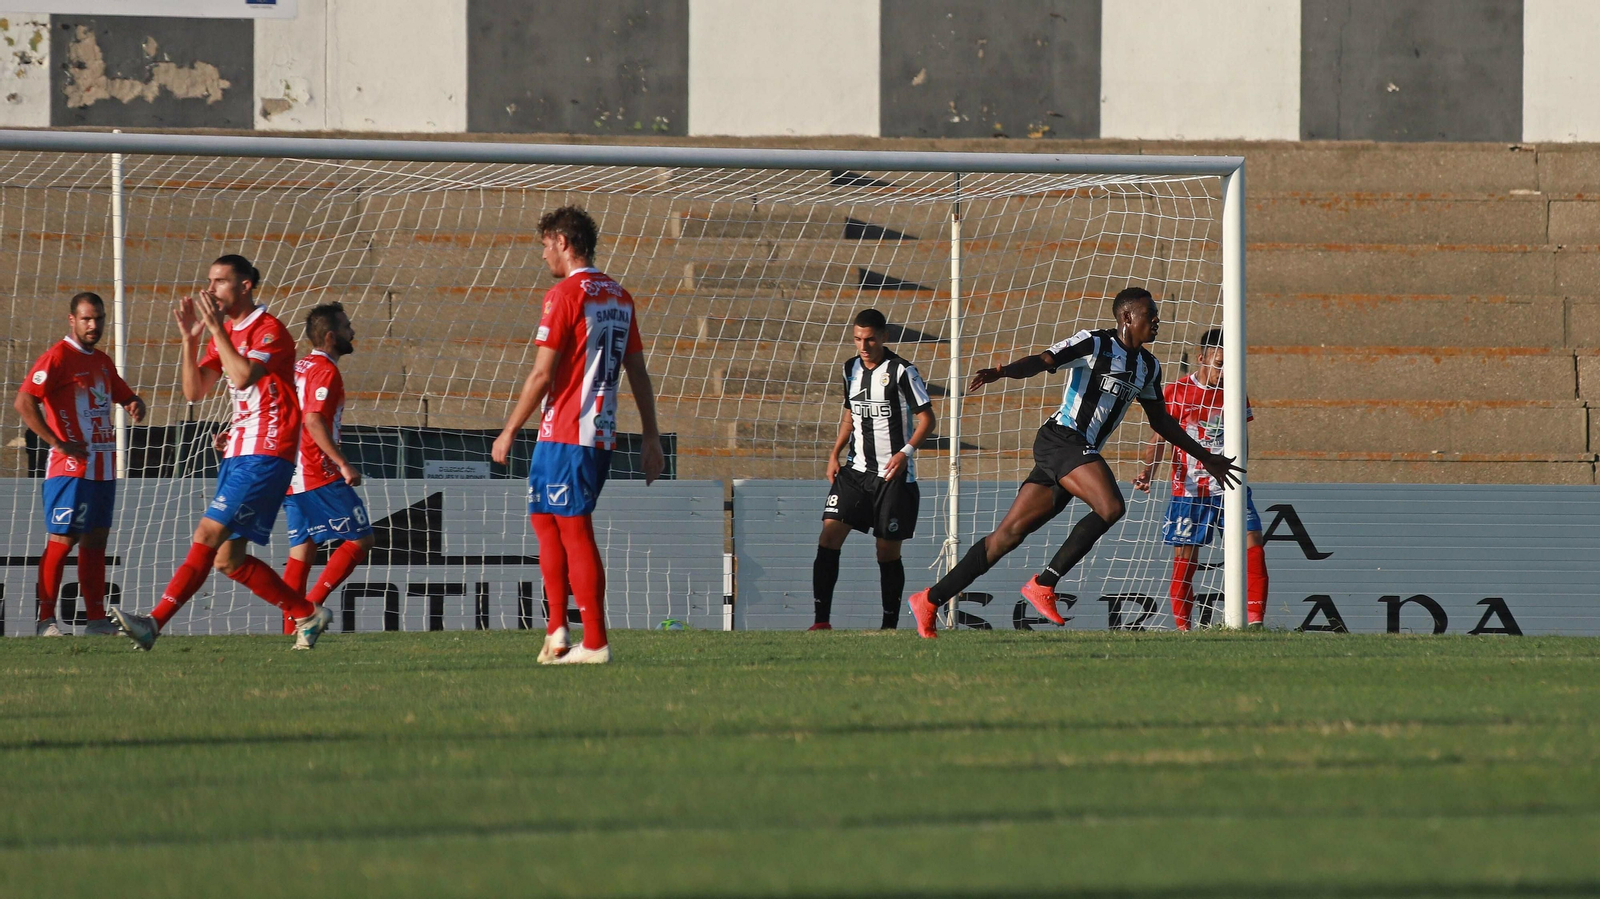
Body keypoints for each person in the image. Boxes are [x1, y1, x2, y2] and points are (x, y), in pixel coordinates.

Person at [906, 287, 1242, 638]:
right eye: (1149, 313)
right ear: (1127, 317)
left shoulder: (1148, 366)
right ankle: (1044, 583)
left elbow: (1161, 421)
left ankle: (929, 599)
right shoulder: (1095, 343)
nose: (1156, 320)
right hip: (1061, 439)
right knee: (1110, 506)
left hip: (1074, 453)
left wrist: (1207, 457)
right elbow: (1045, 360)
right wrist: (1003, 372)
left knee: (1006, 537)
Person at [110, 255, 331, 650]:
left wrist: (215, 328)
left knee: (207, 532)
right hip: (239, 450)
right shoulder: (222, 333)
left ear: (245, 286)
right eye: (209, 281)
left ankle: (153, 624)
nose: (210, 290)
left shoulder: (270, 330)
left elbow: (244, 375)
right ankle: (306, 613)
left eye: (220, 281)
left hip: (268, 450)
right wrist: (191, 340)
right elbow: (195, 392)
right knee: (228, 559)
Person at [491, 206, 664, 665]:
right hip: (587, 431)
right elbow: (638, 371)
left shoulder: (565, 294)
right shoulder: (619, 295)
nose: (544, 253)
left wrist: (508, 430)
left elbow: (542, 375)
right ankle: (557, 631)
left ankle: (596, 641)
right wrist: (650, 436)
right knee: (545, 520)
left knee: (571, 527)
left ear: (564, 243)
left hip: (571, 430)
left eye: (546, 244)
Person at [13, 292, 146, 636]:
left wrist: (134, 402)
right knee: (63, 538)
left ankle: (96, 621)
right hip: (69, 469)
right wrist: (57, 442)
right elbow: (24, 401)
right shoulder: (56, 357)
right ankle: (46, 621)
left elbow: (120, 392)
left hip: (102, 466)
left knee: (96, 540)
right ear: (72, 319)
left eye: (99, 318)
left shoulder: (101, 360)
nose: (94, 325)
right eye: (87, 318)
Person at [1133, 327, 1268, 629]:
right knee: (1186, 559)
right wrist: (1148, 472)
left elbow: (1243, 436)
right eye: (1219, 364)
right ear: (1202, 358)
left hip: (1229, 488)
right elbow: (1158, 438)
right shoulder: (1175, 391)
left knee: (1254, 542)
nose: (1224, 371)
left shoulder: (1235, 392)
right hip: (1189, 491)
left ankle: (1256, 621)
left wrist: (1242, 473)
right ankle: (1184, 629)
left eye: (1230, 365)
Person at [811, 309, 936, 630]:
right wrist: (833, 454)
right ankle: (821, 622)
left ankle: (889, 626)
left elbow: (927, 420)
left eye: (869, 339)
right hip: (855, 471)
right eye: (857, 339)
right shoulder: (850, 368)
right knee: (829, 536)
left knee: (886, 553)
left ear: (883, 337)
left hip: (892, 477)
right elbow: (849, 414)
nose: (863, 346)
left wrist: (906, 452)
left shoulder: (902, 371)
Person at [278, 302, 374, 634]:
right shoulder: (325, 371)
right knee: (360, 540)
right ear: (332, 336)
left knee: (301, 554)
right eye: (348, 327)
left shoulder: (298, 366)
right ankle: (310, 612)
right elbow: (313, 419)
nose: (353, 331)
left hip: (289, 473)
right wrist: (342, 463)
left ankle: (291, 631)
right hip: (315, 471)